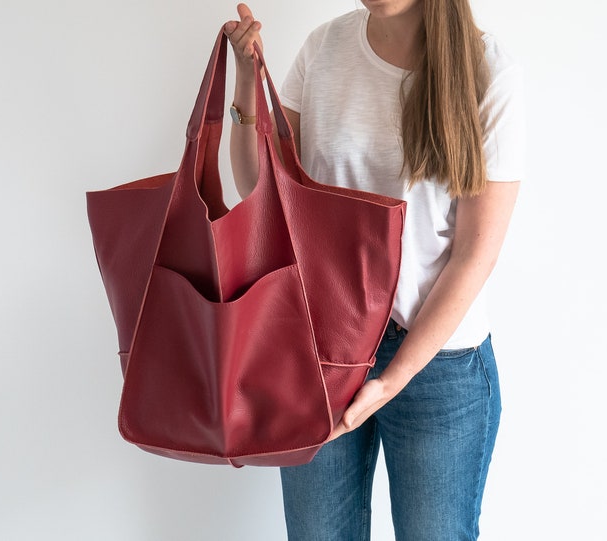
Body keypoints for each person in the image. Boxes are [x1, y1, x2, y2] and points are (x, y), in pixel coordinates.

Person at [224, 0, 525, 538]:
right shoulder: (324, 48)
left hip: (438, 367)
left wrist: (392, 380)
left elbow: (475, 253)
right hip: (323, 353)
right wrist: (247, 80)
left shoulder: (486, 71)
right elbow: (258, 189)